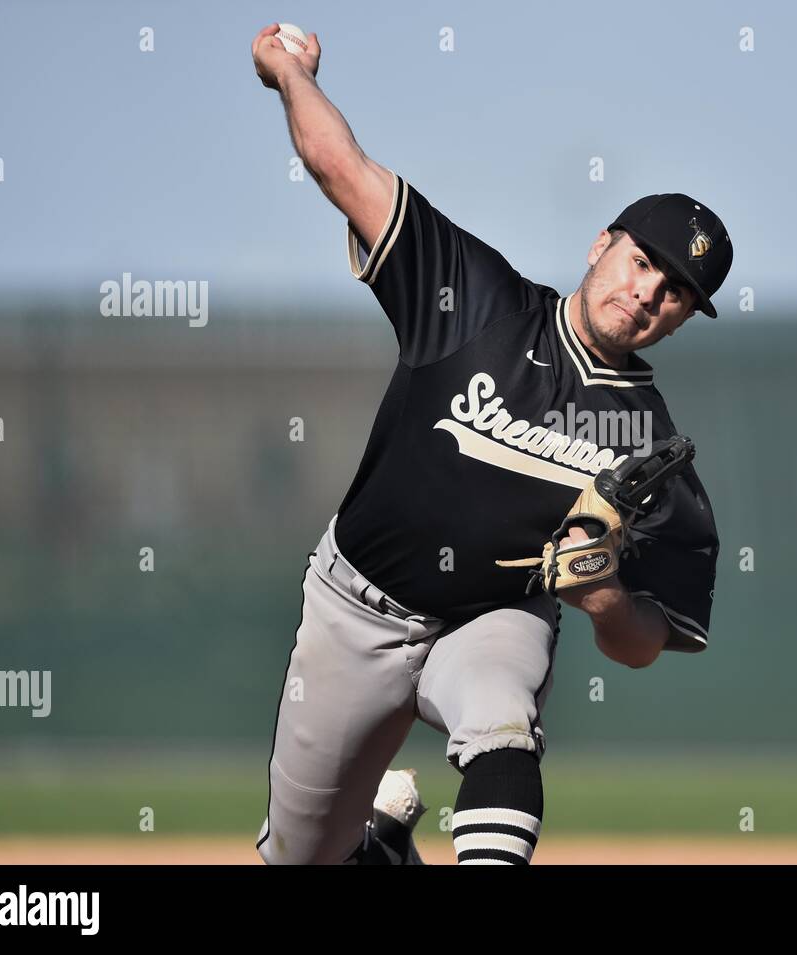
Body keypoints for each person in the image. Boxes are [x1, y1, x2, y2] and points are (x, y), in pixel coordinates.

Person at [249, 23, 731, 865]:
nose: (649, 291)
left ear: (686, 316)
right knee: (300, 859)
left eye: (678, 291)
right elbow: (342, 169)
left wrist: (605, 594)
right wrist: (290, 72)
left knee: (504, 722)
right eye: (643, 260)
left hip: (490, 616)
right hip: (353, 604)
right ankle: (383, 850)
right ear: (600, 245)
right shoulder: (473, 300)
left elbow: (645, 641)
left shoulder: (648, 447)